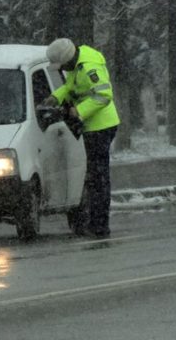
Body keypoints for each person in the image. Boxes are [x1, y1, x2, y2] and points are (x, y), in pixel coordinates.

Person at [44, 38, 120, 239]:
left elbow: (104, 95)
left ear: (67, 60)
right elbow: (71, 86)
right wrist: (56, 97)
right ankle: (96, 224)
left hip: (101, 126)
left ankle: (99, 226)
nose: (63, 69)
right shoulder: (78, 62)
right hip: (94, 126)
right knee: (95, 178)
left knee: (98, 179)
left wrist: (79, 111)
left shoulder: (88, 68)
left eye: (62, 66)